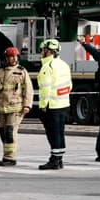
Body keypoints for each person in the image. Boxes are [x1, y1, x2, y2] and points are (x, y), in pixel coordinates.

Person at [0, 46, 32, 165]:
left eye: (15, 56)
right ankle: (6, 155)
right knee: (3, 132)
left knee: (10, 132)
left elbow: (28, 90)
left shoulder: (22, 71)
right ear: (6, 58)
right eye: (11, 56)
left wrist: (27, 105)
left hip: (15, 108)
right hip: (2, 108)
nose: (14, 58)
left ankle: (10, 158)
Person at [36, 38, 72, 170]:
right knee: (60, 132)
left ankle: (54, 160)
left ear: (48, 51)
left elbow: (46, 88)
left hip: (52, 106)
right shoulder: (64, 65)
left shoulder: (47, 66)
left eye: (43, 50)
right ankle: (59, 158)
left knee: (53, 133)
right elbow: (69, 85)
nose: (42, 52)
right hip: (64, 104)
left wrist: (43, 105)